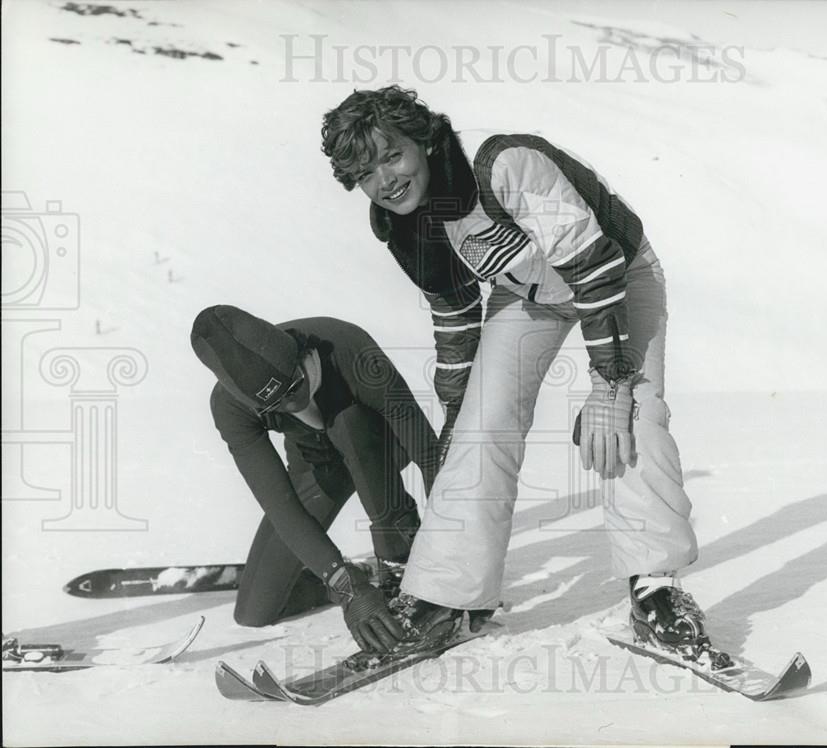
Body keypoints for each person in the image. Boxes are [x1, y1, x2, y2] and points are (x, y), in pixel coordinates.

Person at [319, 85, 716, 660]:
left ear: (424, 142)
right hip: (528, 294)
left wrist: (610, 382)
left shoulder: (504, 165)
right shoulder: (400, 222)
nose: (386, 179)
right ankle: (446, 597)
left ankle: (655, 590)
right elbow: (454, 314)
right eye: (365, 173)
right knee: (480, 429)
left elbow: (595, 265)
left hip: (618, 276)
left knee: (633, 418)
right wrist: (458, 409)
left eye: (392, 155)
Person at [190, 304, 439, 653]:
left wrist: (451, 554)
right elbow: (280, 504)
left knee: (349, 423)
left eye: (294, 386)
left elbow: (428, 454)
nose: (294, 406)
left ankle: (398, 553)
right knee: (253, 612)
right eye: (276, 406)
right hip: (320, 467)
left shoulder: (346, 346)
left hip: (378, 448)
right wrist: (343, 581)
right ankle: (355, 577)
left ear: (303, 354)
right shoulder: (230, 407)